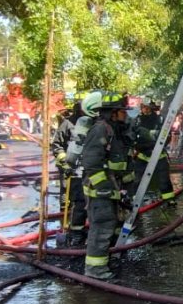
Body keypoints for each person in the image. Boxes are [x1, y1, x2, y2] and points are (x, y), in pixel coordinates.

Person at [80, 92, 135, 279]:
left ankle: (107, 260)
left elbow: (121, 163)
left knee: (113, 225)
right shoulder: (101, 130)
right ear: (113, 113)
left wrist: (126, 189)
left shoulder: (115, 131)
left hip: (113, 189)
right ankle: (95, 269)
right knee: (102, 225)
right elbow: (91, 161)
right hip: (100, 190)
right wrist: (103, 186)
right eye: (122, 111)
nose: (125, 115)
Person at [51, 97, 93, 248]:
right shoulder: (67, 124)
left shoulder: (92, 123)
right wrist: (66, 162)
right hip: (72, 169)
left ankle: (85, 230)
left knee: (89, 201)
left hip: (88, 168)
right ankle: (74, 232)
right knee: (75, 200)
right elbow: (56, 145)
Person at [132, 100, 175, 201]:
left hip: (159, 155)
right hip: (142, 155)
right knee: (137, 180)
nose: (145, 110)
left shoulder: (160, 120)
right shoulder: (137, 120)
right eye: (143, 107)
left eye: (147, 107)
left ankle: (169, 201)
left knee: (164, 180)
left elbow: (167, 136)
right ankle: (135, 202)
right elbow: (132, 135)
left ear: (152, 108)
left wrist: (158, 145)